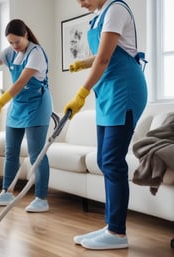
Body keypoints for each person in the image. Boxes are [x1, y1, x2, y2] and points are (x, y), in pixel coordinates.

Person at [63, 0, 148, 250]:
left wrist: (81, 93)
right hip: (109, 92)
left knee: (112, 160)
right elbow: (100, 56)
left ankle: (117, 232)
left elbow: (105, 59)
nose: (80, 3)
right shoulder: (100, 16)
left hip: (125, 89)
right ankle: (111, 225)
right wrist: (83, 63)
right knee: (103, 160)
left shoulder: (116, 10)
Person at [0, 19, 53, 213]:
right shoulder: (10, 52)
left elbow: (21, 82)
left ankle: (41, 198)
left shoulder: (36, 53)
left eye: (17, 42)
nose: (14, 46)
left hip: (37, 104)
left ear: (26, 35)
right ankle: (6, 192)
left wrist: (1, 101)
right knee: (10, 150)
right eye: (10, 42)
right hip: (18, 105)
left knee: (36, 153)